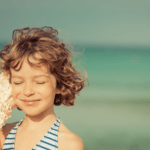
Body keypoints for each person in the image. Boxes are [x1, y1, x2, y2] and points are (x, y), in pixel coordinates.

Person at [0, 26, 87, 150]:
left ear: (60, 85)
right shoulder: (4, 134)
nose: (27, 91)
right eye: (18, 82)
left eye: (40, 82)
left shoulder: (68, 144)